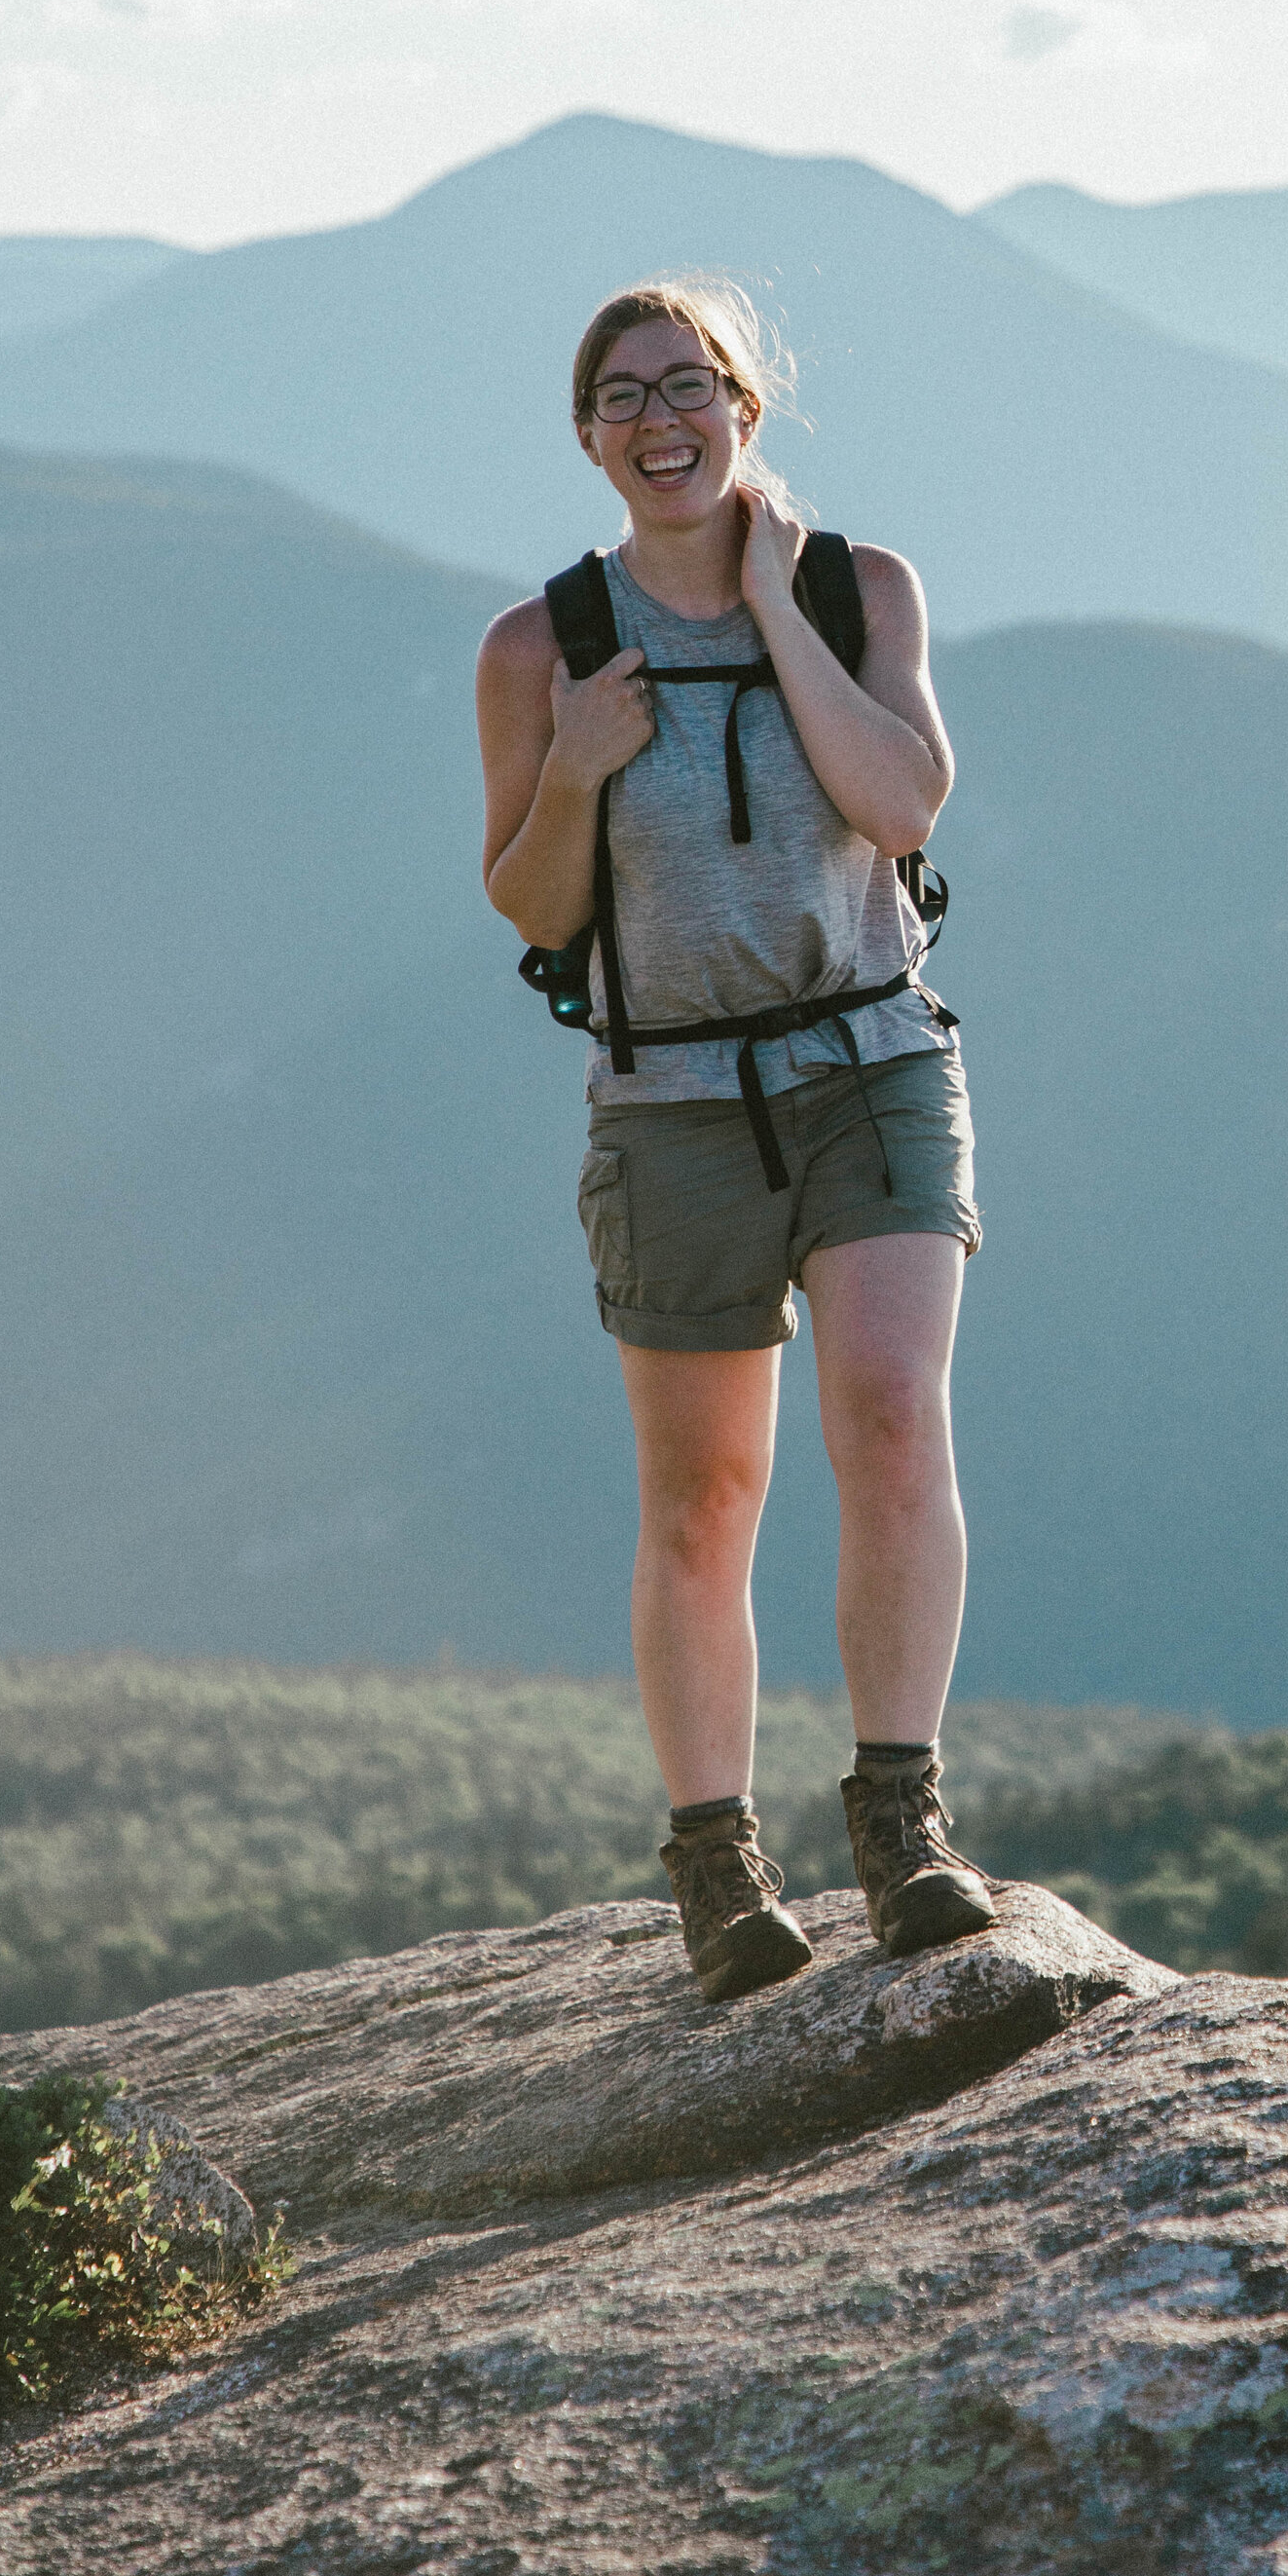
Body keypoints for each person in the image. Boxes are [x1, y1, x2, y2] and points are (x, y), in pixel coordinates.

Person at [475, 276, 998, 2002]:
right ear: (586, 435)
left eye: (689, 386)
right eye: (622, 397)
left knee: (889, 1406)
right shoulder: (541, 647)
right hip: (674, 1096)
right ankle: (717, 1856)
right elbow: (538, 911)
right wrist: (576, 766)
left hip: (871, 1062)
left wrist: (777, 611)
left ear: (745, 410)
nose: (659, 419)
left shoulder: (859, 592)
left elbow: (905, 803)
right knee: (704, 1494)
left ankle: (901, 1823)